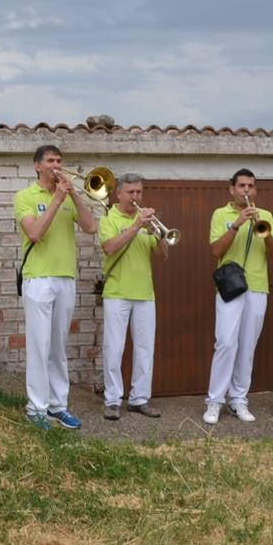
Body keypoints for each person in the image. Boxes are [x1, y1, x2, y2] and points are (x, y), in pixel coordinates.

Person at [14, 144, 97, 429]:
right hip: (37, 278)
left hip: (65, 277)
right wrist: (57, 200)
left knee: (58, 347)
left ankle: (58, 406)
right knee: (39, 346)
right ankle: (36, 408)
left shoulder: (68, 196)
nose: (56, 165)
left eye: (59, 160)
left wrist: (73, 194)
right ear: (37, 165)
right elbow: (35, 233)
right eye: (50, 161)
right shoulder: (24, 196)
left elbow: (91, 227)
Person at [203, 169, 273, 425]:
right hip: (230, 286)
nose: (246, 190)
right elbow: (216, 250)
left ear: (255, 190)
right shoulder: (220, 214)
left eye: (251, 186)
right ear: (232, 189)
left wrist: (263, 229)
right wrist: (236, 225)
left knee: (247, 347)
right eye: (241, 186)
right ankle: (215, 401)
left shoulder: (266, 216)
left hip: (257, 287)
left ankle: (238, 400)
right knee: (225, 343)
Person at [98, 172, 168, 420]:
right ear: (119, 193)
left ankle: (139, 399)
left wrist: (159, 234)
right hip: (117, 292)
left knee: (145, 349)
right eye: (131, 192)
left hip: (145, 293)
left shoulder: (147, 221)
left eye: (139, 192)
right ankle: (113, 400)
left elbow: (163, 256)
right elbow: (109, 247)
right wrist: (136, 225)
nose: (135, 197)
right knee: (114, 349)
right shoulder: (109, 218)